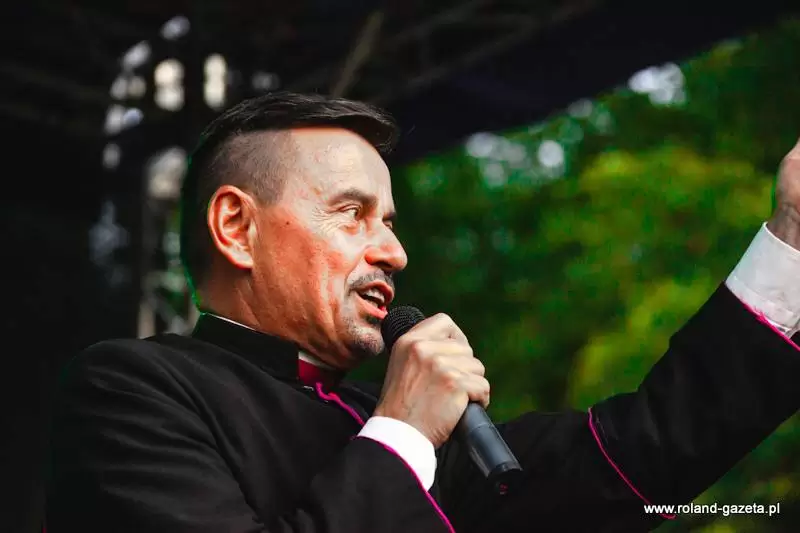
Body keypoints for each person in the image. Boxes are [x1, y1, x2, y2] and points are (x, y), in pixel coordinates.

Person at [45, 92, 800, 533]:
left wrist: (790, 235)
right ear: (237, 227)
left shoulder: (391, 424)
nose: (394, 253)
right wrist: (402, 432)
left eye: (391, 222)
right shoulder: (128, 391)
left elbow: (639, 452)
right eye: (353, 214)